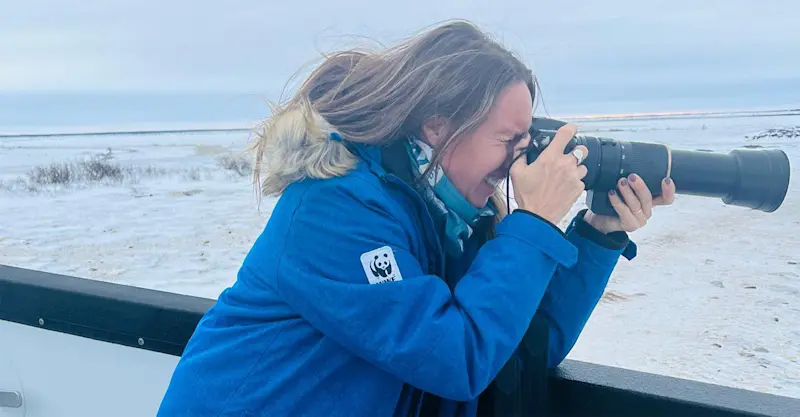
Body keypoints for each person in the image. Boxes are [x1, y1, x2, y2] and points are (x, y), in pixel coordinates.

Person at [156, 20, 675, 417]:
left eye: (525, 141)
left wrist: (598, 233)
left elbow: (516, 346)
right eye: (506, 140)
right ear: (436, 124)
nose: (519, 162)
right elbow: (455, 357)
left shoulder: (448, 219)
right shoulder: (335, 211)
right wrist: (535, 225)